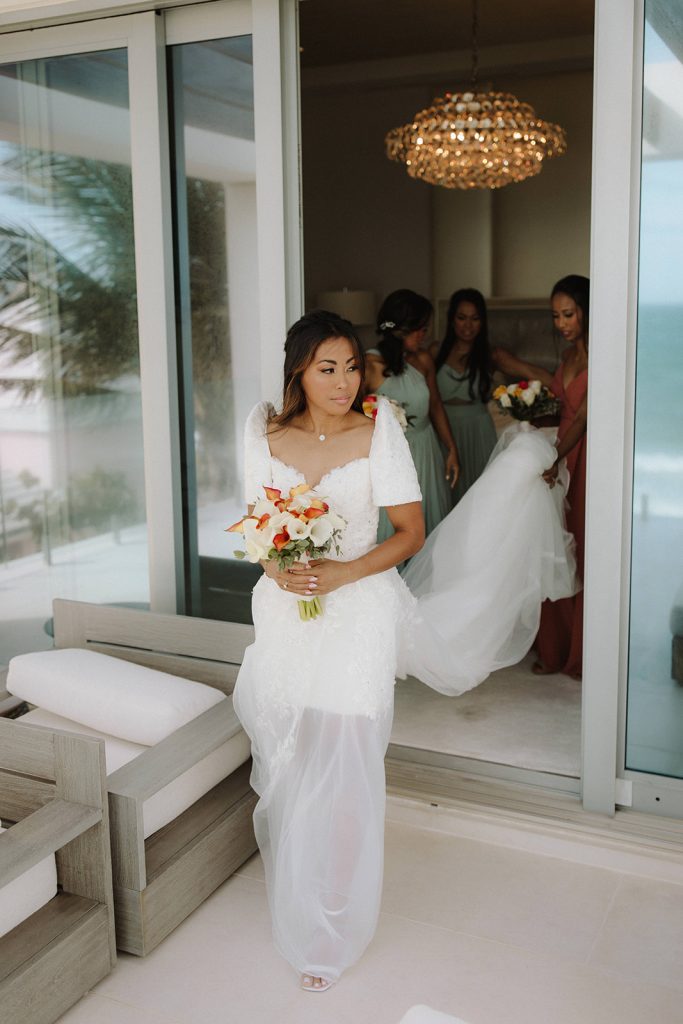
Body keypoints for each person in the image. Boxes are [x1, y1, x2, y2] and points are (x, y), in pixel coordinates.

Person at [232, 309, 578, 992]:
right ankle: (299, 894)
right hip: (286, 615)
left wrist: (340, 574)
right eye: (327, 368)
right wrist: (278, 567)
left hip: (358, 614)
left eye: (351, 367)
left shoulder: (377, 431)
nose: (343, 381)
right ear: (298, 370)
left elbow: (409, 532)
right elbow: (255, 526)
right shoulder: (264, 432)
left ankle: (332, 926)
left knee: (348, 768)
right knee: (294, 758)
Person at [493, 274, 589, 679]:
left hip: (583, 456)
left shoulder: (602, 355)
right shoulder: (568, 357)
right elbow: (557, 395)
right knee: (552, 545)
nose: (561, 323)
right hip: (560, 452)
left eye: (568, 314)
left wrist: (557, 458)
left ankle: (582, 652)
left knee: (581, 547)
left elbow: (583, 418)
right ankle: (555, 648)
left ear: (587, 311)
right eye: (555, 316)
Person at [364, 289, 459, 542]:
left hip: (426, 449)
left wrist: (451, 449)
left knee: (427, 522)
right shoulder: (369, 366)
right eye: (420, 329)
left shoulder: (423, 359)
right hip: (390, 456)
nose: (424, 335)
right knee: (395, 527)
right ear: (401, 329)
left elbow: (435, 405)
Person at [430, 288, 498, 505]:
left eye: (475, 318)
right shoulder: (435, 352)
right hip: (444, 428)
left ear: (483, 322)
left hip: (479, 430)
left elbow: (535, 373)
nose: (468, 325)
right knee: (447, 493)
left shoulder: (491, 355)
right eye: (461, 317)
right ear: (452, 320)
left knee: (481, 495)